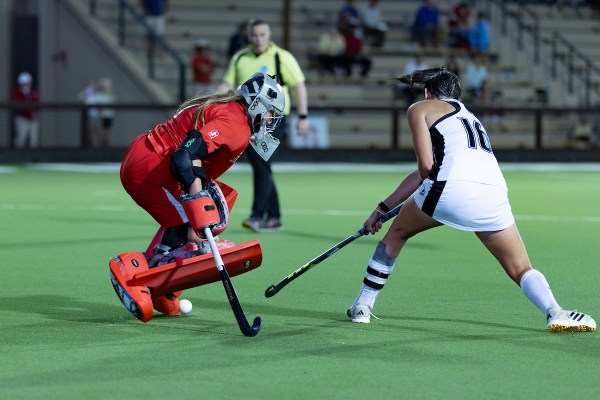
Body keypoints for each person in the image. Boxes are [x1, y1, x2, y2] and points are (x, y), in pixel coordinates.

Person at [346, 67, 596, 333]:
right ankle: (555, 310)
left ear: (428, 93)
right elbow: (430, 171)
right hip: (493, 192)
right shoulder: (470, 118)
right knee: (520, 267)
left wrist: (381, 212)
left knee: (396, 233)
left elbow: (426, 169)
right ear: (458, 96)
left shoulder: (420, 108)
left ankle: (362, 306)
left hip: (448, 189)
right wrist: (384, 207)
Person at [120, 72, 285, 316]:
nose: (271, 119)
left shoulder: (233, 113)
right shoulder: (236, 124)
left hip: (149, 160)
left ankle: (164, 287)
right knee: (199, 221)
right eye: (271, 111)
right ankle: (136, 275)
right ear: (257, 104)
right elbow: (184, 156)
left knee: (220, 201)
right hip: (150, 170)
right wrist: (199, 218)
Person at [219, 19, 309, 233]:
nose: (258, 39)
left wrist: (303, 116)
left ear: (268, 35)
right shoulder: (240, 57)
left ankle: (258, 215)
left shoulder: (282, 57)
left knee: (261, 164)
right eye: (254, 35)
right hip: (247, 120)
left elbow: (298, 86)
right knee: (262, 167)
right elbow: (227, 84)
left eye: (261, 34)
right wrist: (216, 101)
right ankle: (275, 217)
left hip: (273, 121)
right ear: (248, 35)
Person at [12, 71, 40, 149]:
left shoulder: (33, 93)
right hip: (22, 118)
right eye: (23, 84)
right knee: (20, 139)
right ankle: (17, 158)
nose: (26, 86)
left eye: (27, 83)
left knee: (34, 140)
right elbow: (18, 105)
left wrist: (34, 113)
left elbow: (37, 103)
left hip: (33, 119)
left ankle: (34, 158)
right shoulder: (18, 94)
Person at [94, 78, 116, 147]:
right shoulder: (99, 95)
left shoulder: (110, 95)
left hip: (109, 116)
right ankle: (101, 144)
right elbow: (99, 105)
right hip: (102, 116)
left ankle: (107, 145)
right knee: (102, 130)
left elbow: (113, 103)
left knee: (108, 131)